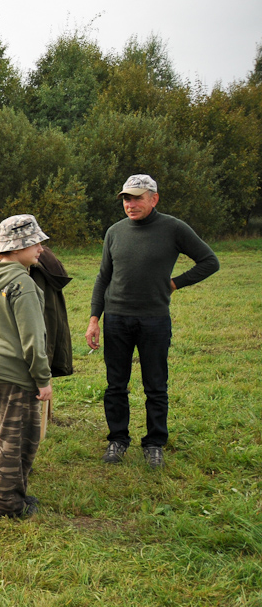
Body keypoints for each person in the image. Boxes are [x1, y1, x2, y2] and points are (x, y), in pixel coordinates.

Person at [84, 175, 219, 468]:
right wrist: (95, 319)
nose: (130, 204)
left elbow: (209, 261)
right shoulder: (115, 232)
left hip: (154, 320)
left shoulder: (173, 228)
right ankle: (117, 440)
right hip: (117, 319)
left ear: (154, 198)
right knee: (115, 385)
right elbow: (103, 277)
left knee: (155, 386)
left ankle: (155, 442)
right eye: (126, 199)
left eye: (136, 198)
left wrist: (175, 283)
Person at [0, 215, 53, 520]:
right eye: (35, 243)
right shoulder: (23, 284)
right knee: (17, 439)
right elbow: (33, 337)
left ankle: (12, 494)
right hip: (15, 373)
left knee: (1, 432)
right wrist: (43, 379)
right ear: (18, 247)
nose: (41, 249)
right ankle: (5, 506)